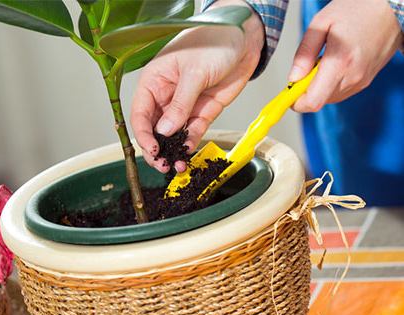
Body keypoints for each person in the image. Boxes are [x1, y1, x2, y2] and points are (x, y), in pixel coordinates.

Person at [131, 0, 404, 205]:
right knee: (372, 212)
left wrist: (390, 7)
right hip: (349, 29)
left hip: (367, 20)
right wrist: (235, 14)